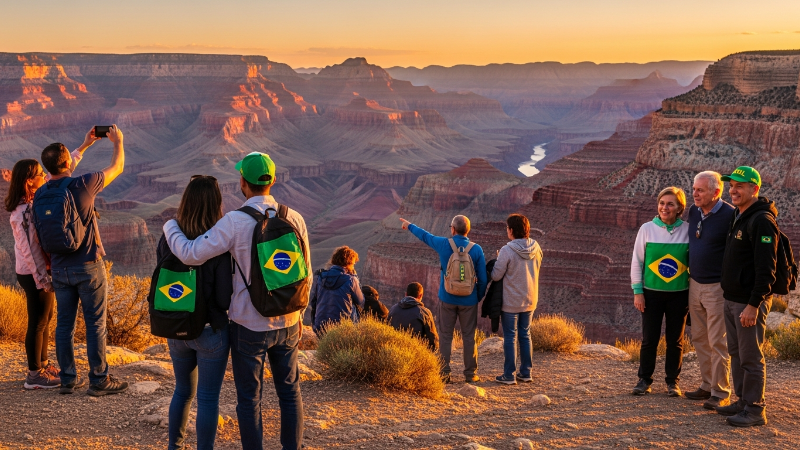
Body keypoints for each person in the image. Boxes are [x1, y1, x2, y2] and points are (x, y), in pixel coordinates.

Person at [164, 152, 308, 450]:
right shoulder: (294, 217)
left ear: (243, 182)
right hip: (290, 321)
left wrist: (169, 227)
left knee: (249, 399)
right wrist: (300, 314)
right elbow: (304, 271)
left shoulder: (235, 221)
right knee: (290, 393)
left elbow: (191, 253)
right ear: (273, 180)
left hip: (249, 323)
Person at [34, 125, 128, 396]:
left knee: (64, 324)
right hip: (88, 266)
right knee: (95, 323)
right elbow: (117, 167)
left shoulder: (40, 193)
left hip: (60, 269)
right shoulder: (83, 183)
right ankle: (99, 379)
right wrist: (117, 142)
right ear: (67, 163)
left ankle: (67, 379)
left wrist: (85, 145)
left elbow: (62, 171)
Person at [160, 176, 233, 450]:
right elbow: (225, 296)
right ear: (216, 203)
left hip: (175, 326)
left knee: (182, 391)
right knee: (208, 397)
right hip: (210, 331)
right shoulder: (218, 242)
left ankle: (174, 446)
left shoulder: (168, 238)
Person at [4, 151, 81, 389]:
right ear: (29, 181)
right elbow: (29, 251)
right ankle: (34, 375)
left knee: (46, 318)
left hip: (39, 271)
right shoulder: (21, 213)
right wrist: (42, 279)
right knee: (37, 321)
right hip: (32, 273)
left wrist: (84, 146)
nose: (44, 177)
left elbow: (60, 172)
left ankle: (44, 364)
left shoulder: (32, 201)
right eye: (39, 174)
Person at [716, 166, 778, 427]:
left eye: (739, 185)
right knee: (736, 352)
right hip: (732, 298)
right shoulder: (739, 215)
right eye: (731, 185)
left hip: (748, 302)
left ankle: (755, 409)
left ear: (754, 189)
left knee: (751, 355)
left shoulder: (761, 220)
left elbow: (767, 270)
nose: (733, 190)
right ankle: (742, 400)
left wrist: (754, 304)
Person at [399, 215, 487, 383]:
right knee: (469, 336)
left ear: (453, 229)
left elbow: (425, 235)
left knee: (445, 335)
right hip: (469, 300)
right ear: (467, 230)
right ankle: (470, 374)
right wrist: (476, 297)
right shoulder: (476, 250)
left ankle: (444, 373)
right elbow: (483, 279)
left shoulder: (443, 244)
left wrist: (409, 225)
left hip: (447, 298)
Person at [630, 187, 690, 397]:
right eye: (662, 203)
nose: (665, 207)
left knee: (675, 340)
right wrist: (638, 291)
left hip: (680, 294)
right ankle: (644, 379)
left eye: (670, 203)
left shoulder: (687, 230)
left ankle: (673, 382)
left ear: (679, 207)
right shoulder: (647, 229)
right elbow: (637, 261)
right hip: (651, 293)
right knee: (650, 339)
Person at [684, 171, 734, 410]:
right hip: (694, 284)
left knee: (717, 342)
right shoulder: (694, 211)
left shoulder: (730, 215)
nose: (695, 194)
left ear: (716, 192)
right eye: (694, 189)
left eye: (700, 190)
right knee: (699, 338)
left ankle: (720, 391)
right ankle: (706, 384)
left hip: (717, 288)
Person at [491, 214, 542, 385]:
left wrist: (498, 259)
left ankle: (509, 375)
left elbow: (496, 275)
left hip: (511, 301)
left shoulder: (507, 250)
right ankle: (526, 372)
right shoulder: (536, 247)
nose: (507, 231)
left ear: (511, 230)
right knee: (525, 335)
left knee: (510, 336)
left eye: (507, 228)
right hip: (530, 299)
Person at [310, 246, 365, 335]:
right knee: (355, 305)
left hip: (320, 325)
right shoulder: (350, 280)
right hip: (342, 328)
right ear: (349, 263)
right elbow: (361, 302)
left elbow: (313, 302)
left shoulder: (320, 277)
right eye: (353, 264)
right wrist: (355, 279)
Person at [388, 282, 439, 351]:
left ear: (406, 294)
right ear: (420, 296)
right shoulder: (424, 312)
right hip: (415, 351)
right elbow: (433, 339)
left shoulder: (393, 309)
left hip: (393, 349)